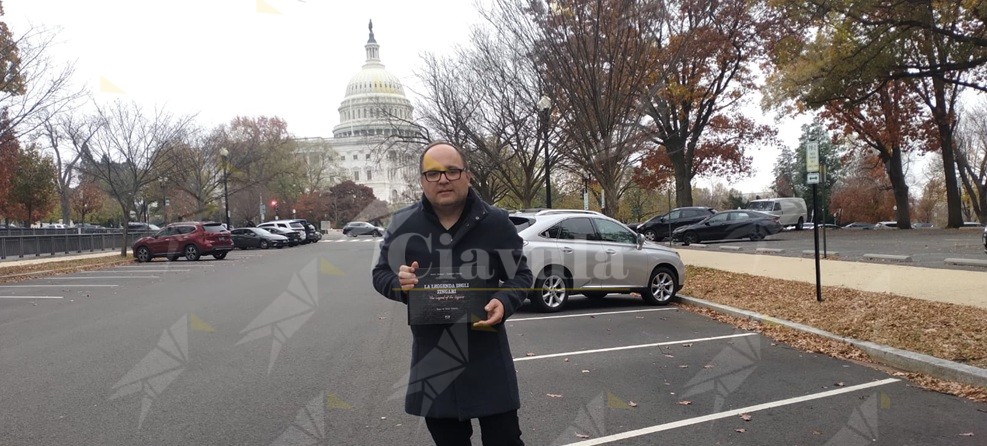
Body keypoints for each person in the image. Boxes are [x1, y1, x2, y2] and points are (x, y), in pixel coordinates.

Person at [372, 141, 533, 446]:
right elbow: (380, 274)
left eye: (451, 171)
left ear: (467, 175)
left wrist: (504, 300)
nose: (443, 179)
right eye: (432, 173)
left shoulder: (495, 223)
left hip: (487, 356)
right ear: (421, 181)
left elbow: (521, 275)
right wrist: (398, 282)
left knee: (506, 440)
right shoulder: (403, 224)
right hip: (434, 360)